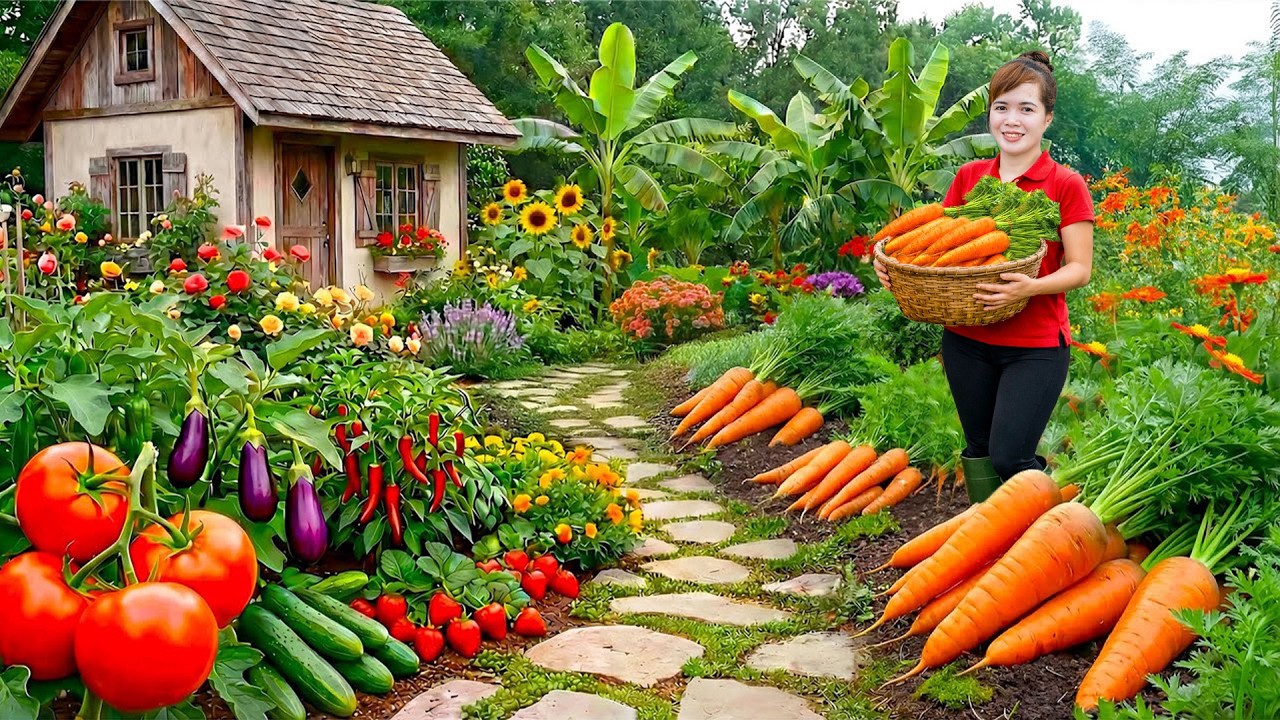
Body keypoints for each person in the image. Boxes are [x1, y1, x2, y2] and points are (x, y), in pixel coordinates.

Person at [873, 50, 1095, 502]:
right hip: (966, 340)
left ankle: (1049, 526)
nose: (1012, 120)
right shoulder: (970, 176)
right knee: (978, 450)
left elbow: (1080, 268)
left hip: (1034, 347)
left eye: (1026, 109)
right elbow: (941, 247)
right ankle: (989, 533)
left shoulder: (1065, 184)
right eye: (1001, 107)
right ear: (990, 113)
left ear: (1047, 119)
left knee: (1010, 456)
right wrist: (894, 261)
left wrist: (1031, 287)